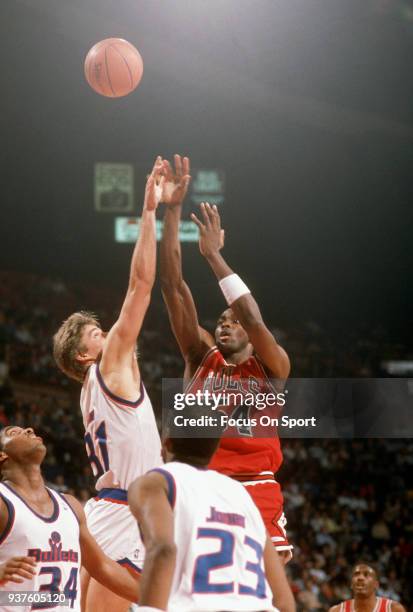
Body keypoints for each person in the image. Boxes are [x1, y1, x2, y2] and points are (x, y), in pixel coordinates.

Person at [160, 156, 292, 561]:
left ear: (251, 336)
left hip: (255, 483)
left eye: (233, 322)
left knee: (259, 586)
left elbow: (252, 315)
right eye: (221, 320)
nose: (226, 324)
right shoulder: (201, 356)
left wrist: (214, 257)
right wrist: (173, 210)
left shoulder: (273, 367)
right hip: (200, 477)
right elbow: (171, 285)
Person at [53, 157, 165, 611]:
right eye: (97, 334)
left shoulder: (89, 392)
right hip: (120, 512)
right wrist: (150, 211)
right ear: (85, 355)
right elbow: (141, 284)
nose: (111, 334)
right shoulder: (109, 365)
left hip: (111, 507)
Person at [127, 405, 295, 612]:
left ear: (166, 442)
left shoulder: (156, 483)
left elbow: (163, 549)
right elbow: (284, 601)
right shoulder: (241, 495)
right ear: (215, 449)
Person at [0, 425, 140, 611]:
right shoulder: (3, 503)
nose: (28, 430)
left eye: (28, 430)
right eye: (13, 432)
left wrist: (162, 598)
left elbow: (102, 567)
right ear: (2, 456)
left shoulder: (70, 505)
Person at [329, 564, 406, 612]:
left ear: (376, 585)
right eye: (356, 574)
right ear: (351, 584)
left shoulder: (393, 609)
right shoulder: (337, 610)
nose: (360, 578)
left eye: (366, 575)